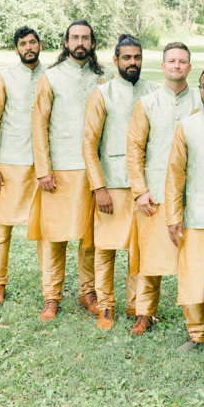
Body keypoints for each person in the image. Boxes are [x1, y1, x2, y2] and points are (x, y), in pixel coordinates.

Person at [31, 20, 110, 322]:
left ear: (92, 43)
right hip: (59, 170)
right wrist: (43, 169)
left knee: (89, 237)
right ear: (66, 43)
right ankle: (51, 296)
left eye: (85, 38)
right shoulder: (50, 77)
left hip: (93, 171)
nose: (80, 43)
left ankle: (87, 292)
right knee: (55, 235)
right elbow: (38, 124)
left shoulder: (102, 79)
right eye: (74, 38)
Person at [126, 41, 201, 334]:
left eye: (182, 61)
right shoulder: (147, 103)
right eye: (172, 61)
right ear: (163, 66)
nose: (177, 66)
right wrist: (140, 190)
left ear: (189, 67)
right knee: (152, 256)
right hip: (154, 192)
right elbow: (134, 149)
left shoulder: (201, 100)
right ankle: (145, 312)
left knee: (191, 254)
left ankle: (194, 316)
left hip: (192, 191)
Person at [82, 34, 155, 331]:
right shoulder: (103, 93)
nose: (132, 62)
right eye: (127, 58)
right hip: (111, 183)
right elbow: (89, 143)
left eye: (137, 57)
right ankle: (106, 306)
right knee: (106, 247)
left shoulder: (153, 91)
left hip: (145, 186)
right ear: (115, 60)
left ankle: (137, 306)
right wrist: (99, 187)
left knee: (140, 249)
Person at [0, 26, 45, 305]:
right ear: (16, 49)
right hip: (8, 163)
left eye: (32, 42)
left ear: (40, 45)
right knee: (1, 225)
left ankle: (50, 289)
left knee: (45, 228)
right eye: (23, 43)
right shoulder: (3, 78)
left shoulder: (51, 76)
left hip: (44, 165)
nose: (28, 47)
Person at [164, 67, 204, 352]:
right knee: (195, 275)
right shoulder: (187, 126)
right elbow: (175, 174)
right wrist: (174, 216)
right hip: (197, 214)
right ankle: (198, 333)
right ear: (199, 90)